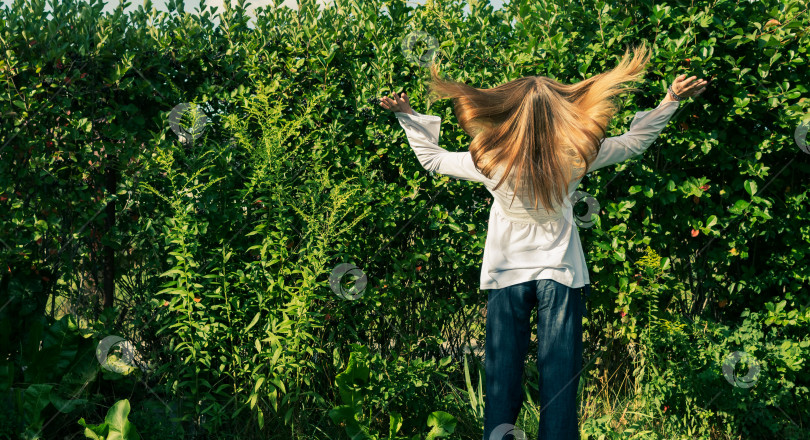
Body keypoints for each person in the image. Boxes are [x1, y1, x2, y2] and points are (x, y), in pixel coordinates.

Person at [379, 41, 708, 440]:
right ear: (559, 114)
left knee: (502, 379)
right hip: (562, 273)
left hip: (505, 274)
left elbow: (432, 159)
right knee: (559, 380)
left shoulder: (490, 159)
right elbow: (635, 141)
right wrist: (670, 99)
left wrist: (409, 116)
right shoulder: (576, 154)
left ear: (509, 114)